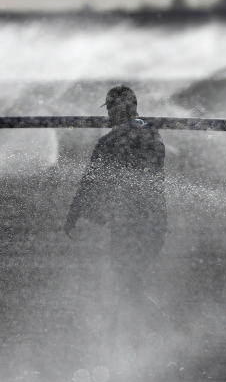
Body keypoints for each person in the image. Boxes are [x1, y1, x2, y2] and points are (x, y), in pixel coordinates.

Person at [64, 85, 167, 350]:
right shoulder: (148, 133)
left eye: (111, 107)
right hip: (147, 224)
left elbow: (91, 180)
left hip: (134, 224)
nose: (109, 113)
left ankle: (146, 335)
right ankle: (137, 337)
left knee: (129, 283)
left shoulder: (124, 138)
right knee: (131, 282)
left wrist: (76, 212)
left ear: (123, 107)